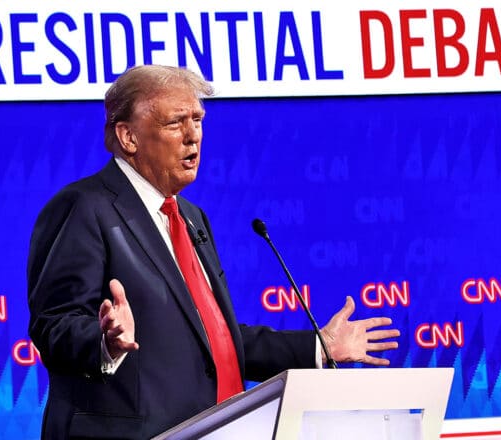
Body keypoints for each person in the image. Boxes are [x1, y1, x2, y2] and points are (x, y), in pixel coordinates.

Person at [27, 65, 399, 439]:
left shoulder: (191, 218)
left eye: (198, 120)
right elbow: (54, 324)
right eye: (175, 123)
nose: (193, 137)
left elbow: (215, 339)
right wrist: (104, 342)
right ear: (128, 137)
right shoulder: (84, 207)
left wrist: (319, 347)